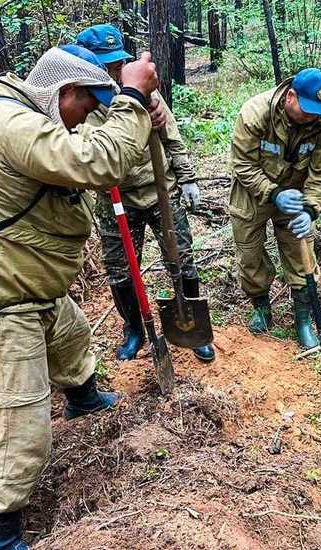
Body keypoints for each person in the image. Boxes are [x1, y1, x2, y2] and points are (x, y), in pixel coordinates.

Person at [0, 45, 161, 550]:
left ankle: (83, 396)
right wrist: (131, 96)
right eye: (87, 105)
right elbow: (95, 159)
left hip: (30, 284)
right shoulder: (9, 123)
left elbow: (85, 140)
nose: (88, 117)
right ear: (64, 93)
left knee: (70, 337)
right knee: (23, 420)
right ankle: (1, 535)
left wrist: (138, 112)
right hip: (0, 299)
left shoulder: (30, 115)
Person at [77, 24, 215, 362]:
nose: (111, 70)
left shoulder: (142, 91)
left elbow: (172, 136)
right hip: (115, 196)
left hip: (159, 191)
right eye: (103, 64)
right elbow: (87, 152)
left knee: (181, 259)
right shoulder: (81, 101)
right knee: (121, 268)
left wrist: (188, 179)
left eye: (115, 63)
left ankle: (191, 326)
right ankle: (134, 329)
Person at [229, 68, 321, 349]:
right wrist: (273, 193)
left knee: (301, 254)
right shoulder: (255, 113)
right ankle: (261, 307)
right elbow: (242, 164)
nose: (312, 117)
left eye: (318, 111)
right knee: (250, 253)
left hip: (297, 194)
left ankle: (302, 319)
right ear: (290, 96)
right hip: (253, 192)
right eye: (307, 109)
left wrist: (310, 210)